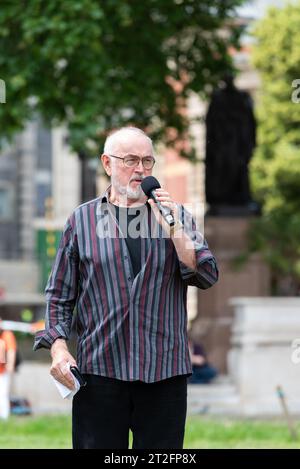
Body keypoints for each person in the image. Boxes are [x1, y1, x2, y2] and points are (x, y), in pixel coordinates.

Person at [33, 127, 218, 449]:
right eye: (131, 160)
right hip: (99, 372)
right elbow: (59, 296)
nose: (141, 170)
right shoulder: (82, 221)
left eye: (148, 161)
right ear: (107, 163)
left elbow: (205, 274)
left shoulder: (176, 217)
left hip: (164, 372)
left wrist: (173, 228)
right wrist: (59, 348)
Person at [0, 317, 17, 420]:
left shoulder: (6, 335)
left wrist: (10, 365)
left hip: (2, 371)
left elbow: (11, 350)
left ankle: (4, 417)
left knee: (2, 394)